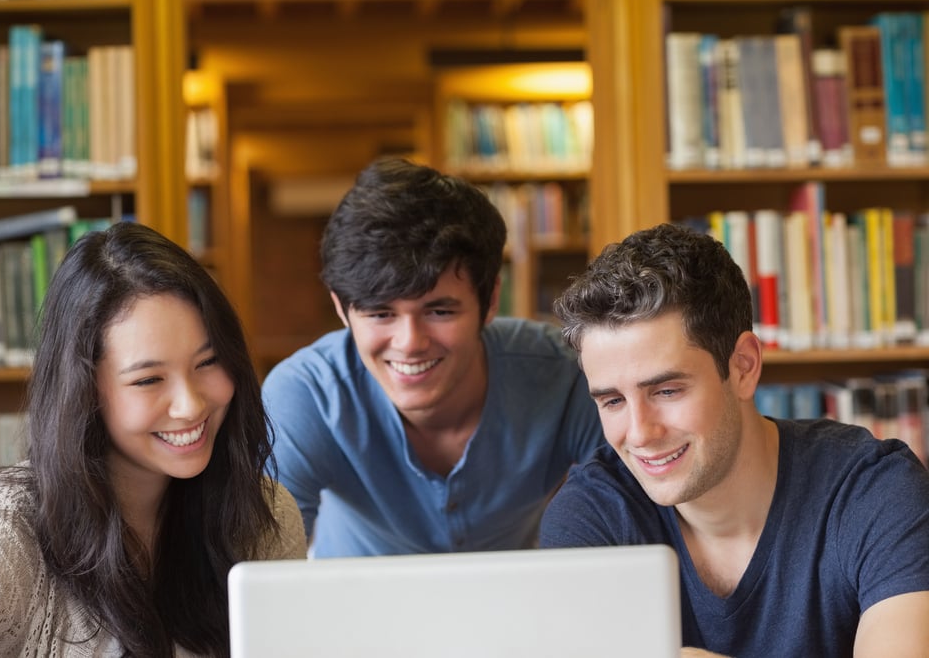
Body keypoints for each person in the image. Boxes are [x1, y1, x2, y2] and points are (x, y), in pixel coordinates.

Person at [539, 222, 929, 657]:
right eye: (612, 401)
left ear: (743, 366)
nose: (640, 433)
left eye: (667, 391)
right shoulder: (592, 518)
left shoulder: (874, 491)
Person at [0, 222, 306, 656]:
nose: (190, 405)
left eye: (209, 362)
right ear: (85, 392)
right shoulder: (6, 530)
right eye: (148, 379)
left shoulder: (266, 515)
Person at [262, 156, 604, 557]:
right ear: (342, 310)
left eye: (440, 311)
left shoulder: (566, 375)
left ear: (490, 299)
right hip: (353, 613)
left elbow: (638, 521)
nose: (409, 342)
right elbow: (266, 568)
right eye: (380, 314)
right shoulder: (305, 394)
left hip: (512, 609)